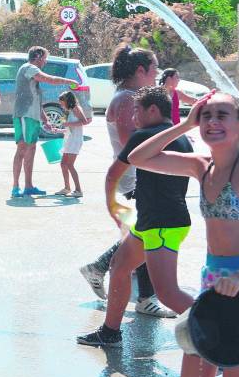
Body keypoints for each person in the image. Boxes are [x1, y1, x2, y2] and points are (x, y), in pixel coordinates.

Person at [128, 92, 239, 377]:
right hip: (212, 288)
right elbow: (137, 158)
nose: (212, 122)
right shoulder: (201, 165)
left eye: (222, 115)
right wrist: (184, 125)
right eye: (206, 115)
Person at [77, 86, 194, 347]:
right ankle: (110, 332)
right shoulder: (183, 139)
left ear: (153, 110)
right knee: (119, 266)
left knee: (167, 293)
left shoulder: (143, 136)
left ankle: (222, 343)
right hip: (154, 221)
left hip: (162, 225)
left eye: (137, 112)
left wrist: (113, 207)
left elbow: (113, 174)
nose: (133, 119)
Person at [79, 45, 173, 318]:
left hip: (139, 178)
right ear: (141, 70)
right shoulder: (126, 100)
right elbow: (131, 146)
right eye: (154, 68)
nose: (157, 73)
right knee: (145, 233)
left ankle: (111, 274)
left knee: (143, 233)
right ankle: (140, 294)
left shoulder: (132, 96)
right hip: (133, 180)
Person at [11, 46, 79, 197]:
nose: (46, 62)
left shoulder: (32, 72)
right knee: (22, 148)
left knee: (31, 149)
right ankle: (15, 186)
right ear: (38, 56)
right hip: (24, 115)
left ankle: (28, 186)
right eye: (45, 58)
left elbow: (35, 99)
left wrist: (45, 119)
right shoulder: (29, 68)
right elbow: (48, 79)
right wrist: (68, 81)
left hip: (33, 116)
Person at [54, 91, 89, 197]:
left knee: (69, 164)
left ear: (67, 101)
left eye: (62, 102)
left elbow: (84, 121)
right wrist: (58, 130)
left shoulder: (76, 109)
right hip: (69, 139)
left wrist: (67, 123)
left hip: (75, 140)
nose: (61, 105)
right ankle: (67, 188)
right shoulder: (69, 111)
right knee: (63, 164)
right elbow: (70, 128)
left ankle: (78, 190)